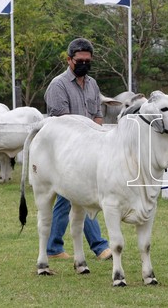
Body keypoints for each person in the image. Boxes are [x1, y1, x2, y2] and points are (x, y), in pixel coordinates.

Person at [43, 38, 111, 260]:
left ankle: (53, 247)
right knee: (82, 196)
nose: (84, 64)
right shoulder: (58, 85)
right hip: (66, 152)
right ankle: (100, 246)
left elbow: (98, 114)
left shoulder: (92, 84)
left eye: (87, 61)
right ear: (69, 60)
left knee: (70, 198)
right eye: (79, 60)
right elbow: (62, 123)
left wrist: (97, 137)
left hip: (90, 150)